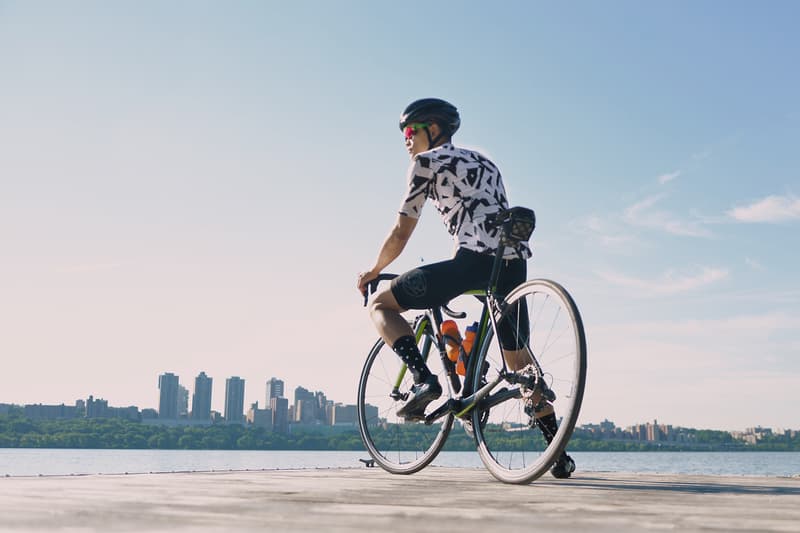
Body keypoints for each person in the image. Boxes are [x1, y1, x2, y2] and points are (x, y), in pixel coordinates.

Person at [356, 98, 575, 479]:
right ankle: (557, 453)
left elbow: (402, 229)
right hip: (511, 264)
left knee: (380, 304)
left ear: (433, 130)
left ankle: (424, 381)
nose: (406, 140)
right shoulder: (486, 162)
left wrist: (373, 269)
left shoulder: (425, 163)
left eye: (411, 131)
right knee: (519, 362)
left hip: (470, 262)